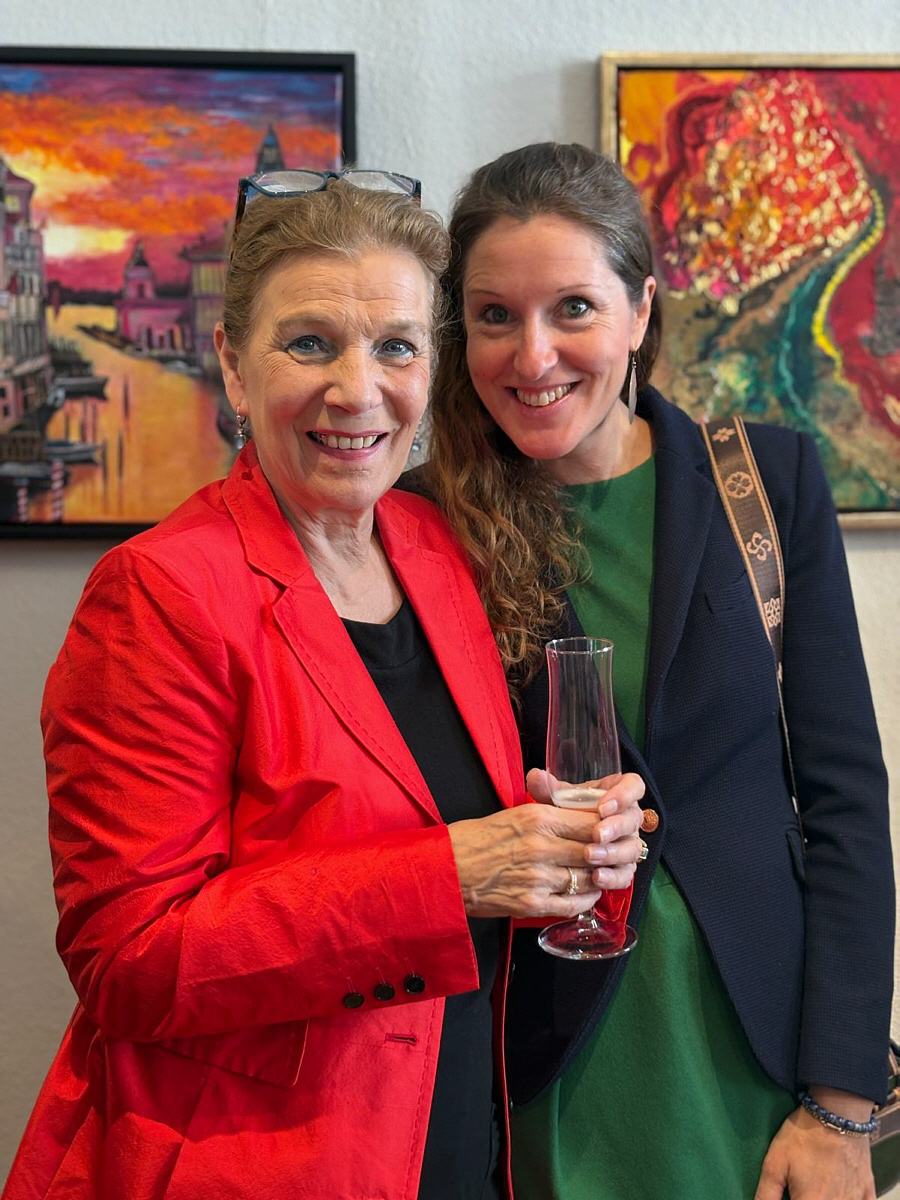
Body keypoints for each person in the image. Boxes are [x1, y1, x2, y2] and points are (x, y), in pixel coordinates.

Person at [1, 170, 647, 1200]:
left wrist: (567, 851)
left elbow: (476, 852)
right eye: (310, 343)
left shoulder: (437, 548)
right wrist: (451, 876)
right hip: (257, 1170)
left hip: (460, 1151)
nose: (358, 389)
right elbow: (129, 960)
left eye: (396, 346)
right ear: (232, 364)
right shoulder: (159, 593)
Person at [420, 143, 893, 1200]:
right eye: (494, 316)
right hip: (531, 1067)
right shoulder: (417, 524)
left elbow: (846, 805)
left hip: (752, 1065)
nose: (532, 353)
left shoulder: (767, 483)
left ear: (639, 311)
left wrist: (842, 1107)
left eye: (574, 309)